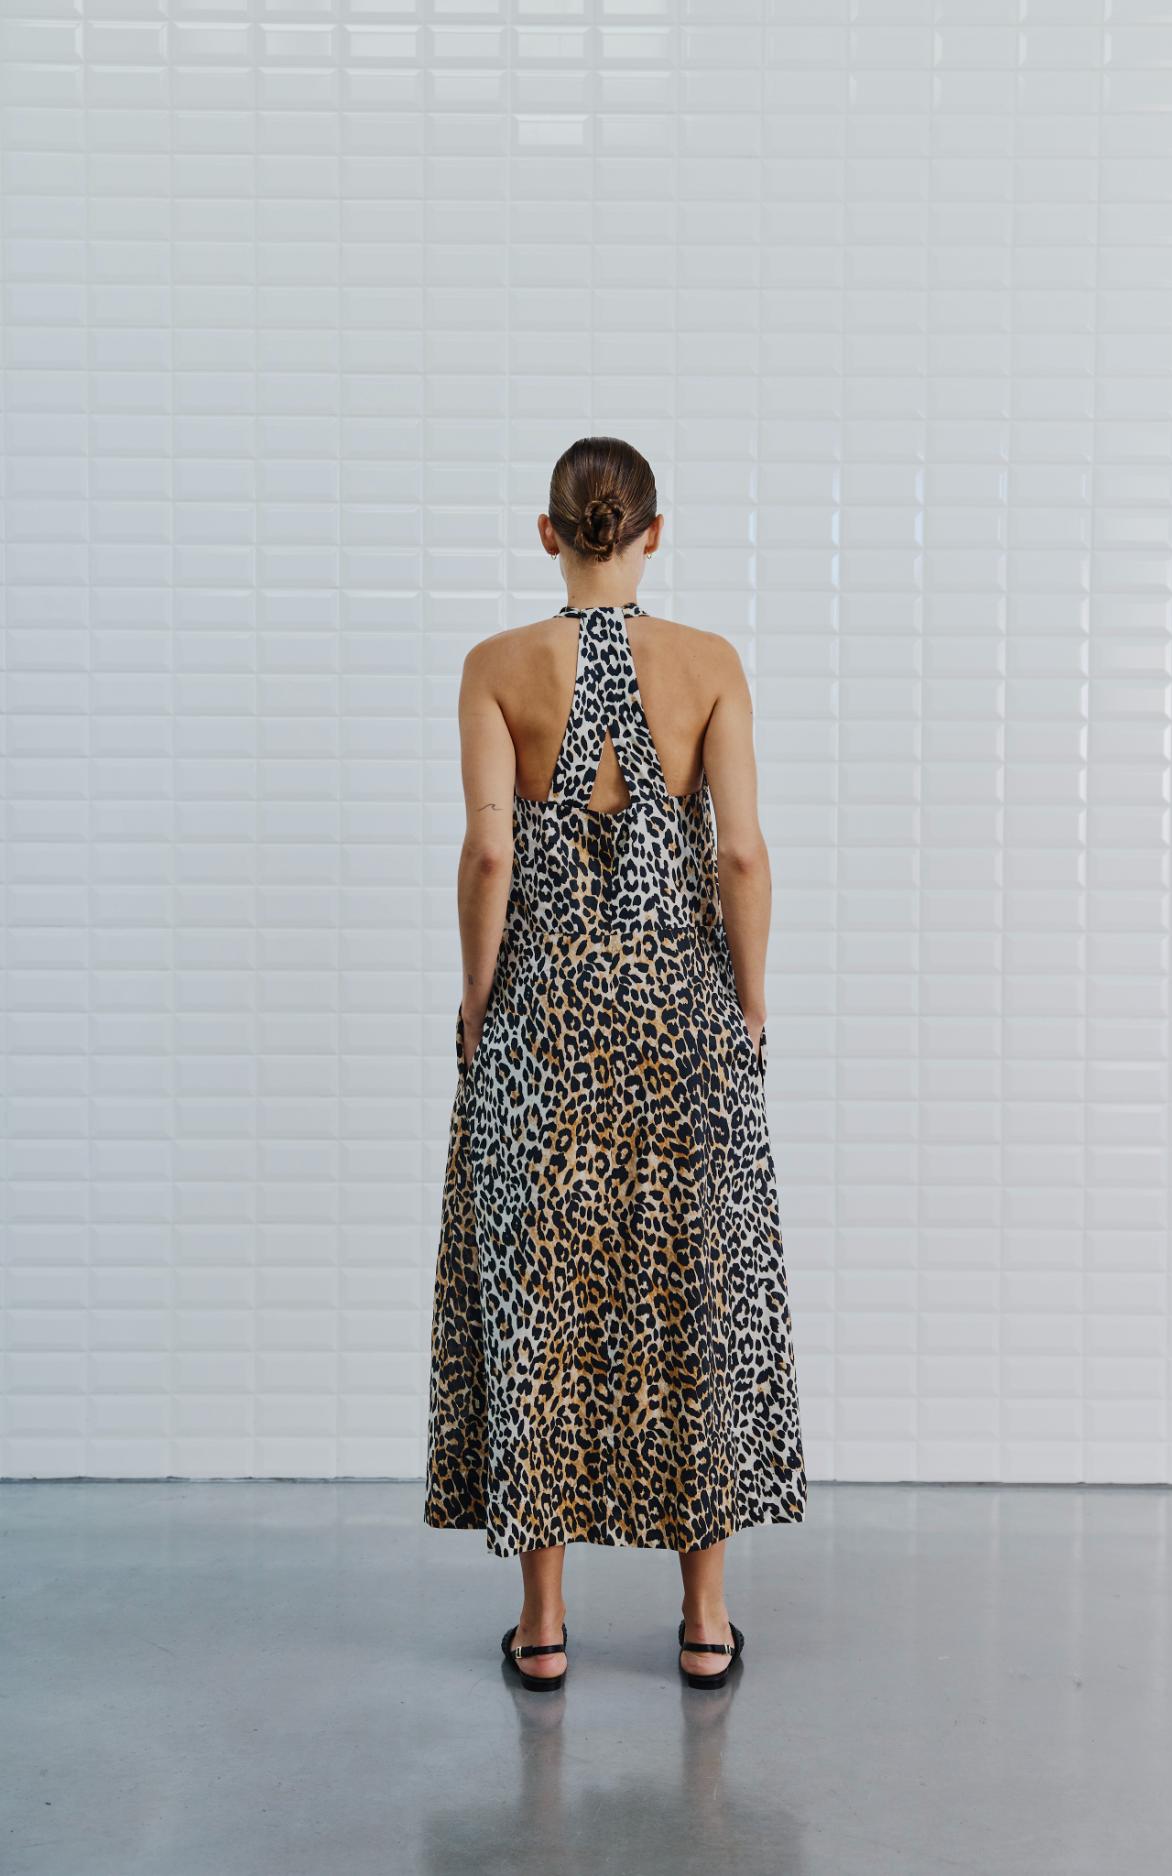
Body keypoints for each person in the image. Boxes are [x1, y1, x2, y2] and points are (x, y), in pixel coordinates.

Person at [423, 435, 806, 1690]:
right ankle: (705, 1623)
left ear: (548, 534)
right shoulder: (709, 664)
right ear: (654, 532)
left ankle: (542, 1629)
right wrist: (750, 1007)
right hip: (680, 1017)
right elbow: (740, 853)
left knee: (539, 1296)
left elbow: (489, 854)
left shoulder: (496, 667)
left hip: (542, 1017)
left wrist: (479, 1001)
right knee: (695, 1288)